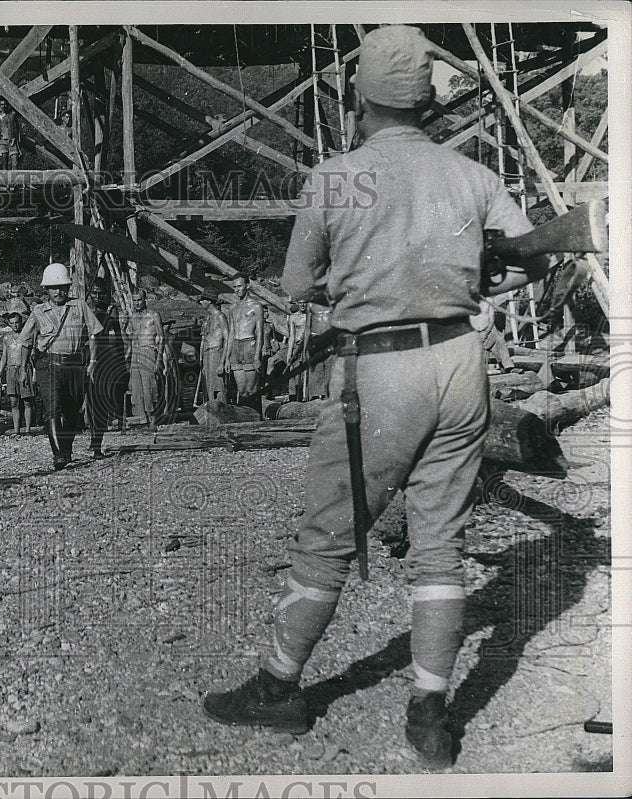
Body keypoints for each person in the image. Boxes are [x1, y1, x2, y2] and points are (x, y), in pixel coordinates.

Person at [201, 25, 550, 771]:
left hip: (381, 371)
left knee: (328, 535)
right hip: (461, 363)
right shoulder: (471, 175)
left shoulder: (336, 176)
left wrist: (353, 283)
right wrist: (483, 283)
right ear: (427, 99)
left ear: (359, 95)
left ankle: (280, 686)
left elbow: (298, 287)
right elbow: (533, 259)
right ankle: (429, 713)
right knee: (440, 543)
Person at [19, 262, 103, 470]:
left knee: (73, 411)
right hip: (49, 365)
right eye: (54, 288)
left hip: (75, 364)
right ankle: (58, 455)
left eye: (63, 287)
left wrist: (92, 362)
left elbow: (94, 333)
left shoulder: (80, 305)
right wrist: (23, 369)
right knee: (53, 410)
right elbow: (25, 342)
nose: (59, 291)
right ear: (46, 289)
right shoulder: (38, 311)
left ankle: (66, 450)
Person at [84, 282, 126, 456]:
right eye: (94, 293)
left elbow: (117, 341)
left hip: (103, 362)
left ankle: (96, 443)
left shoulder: (111, 314)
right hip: (82, 360)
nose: (97, 297)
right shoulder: (83, 311)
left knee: (99, 403)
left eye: (101, 293)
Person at [124, 288, 164, 431]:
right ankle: (142, 420)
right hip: (136, 353)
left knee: (150, 387)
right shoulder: (133, 317)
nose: (137, 303)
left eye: (139, 300)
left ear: (144, 300)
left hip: (148, 351)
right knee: (137, 388)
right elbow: (132, 338)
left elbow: (161, 337)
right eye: (134, 300)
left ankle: (153, 419)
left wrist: (159, 359)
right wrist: (127, 357)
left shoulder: (153, 315)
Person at [223, 275, 265, 412]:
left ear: (247, 285)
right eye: (234, 287)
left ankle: (257, 421)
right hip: (236, 347)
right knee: (241, 391)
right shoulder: (233, 307)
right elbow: (230, 333)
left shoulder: (256, 306)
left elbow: (260, 333)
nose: (237, 290)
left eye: (239, 286)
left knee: (251, 390)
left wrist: (257, 356)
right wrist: (227, 358)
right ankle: (245, 420)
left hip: (249, 345)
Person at [0, 311, 35, 436]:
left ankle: (28, 428)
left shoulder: (27, 336)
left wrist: (34, 373)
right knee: (14, 401)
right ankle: (16, 429)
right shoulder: (7, 338)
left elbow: (33, 355)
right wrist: (0, 373)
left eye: (17, 323)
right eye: (12, 323)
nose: (15, 326)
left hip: (25, 368)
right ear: (9, 324)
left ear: (21, 322)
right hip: (11, 369)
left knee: (27, 400)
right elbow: (4, 356)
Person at [198, 287, 228, 402]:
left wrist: (222, 362)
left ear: (209, 301)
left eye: (202, 300)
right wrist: (201, 358)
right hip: (207, 354)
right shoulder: (208, 318)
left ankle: (222, 411)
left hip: (216, 353)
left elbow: (227, 339)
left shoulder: (220, 316)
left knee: (218, 386)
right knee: (209, 387)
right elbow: (204, 339)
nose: (201, 302)